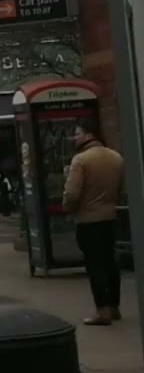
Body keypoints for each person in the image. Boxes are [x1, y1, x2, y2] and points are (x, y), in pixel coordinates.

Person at [62, 121, 125, 326]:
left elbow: (72, 193)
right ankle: (114, 306)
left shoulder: (80, 160)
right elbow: (121, 189)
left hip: (88, 219)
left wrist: (68, 208)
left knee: (94, 265)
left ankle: (101, 310)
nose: (74, 138)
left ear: (88, 135)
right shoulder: (116, 157)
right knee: (110, 262)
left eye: (77, 134)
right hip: (110, 217)